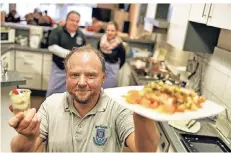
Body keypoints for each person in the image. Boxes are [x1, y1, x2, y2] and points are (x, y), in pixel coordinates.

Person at [8, 45, 160, 152]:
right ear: (66, 77)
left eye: (91, 75)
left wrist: (142, 116)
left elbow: (146, 150)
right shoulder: (51, 104)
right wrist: (27, 136)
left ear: (103, 78)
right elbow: (19, 150)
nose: (81, 83)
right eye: (74, 75)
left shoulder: (117, 108)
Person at [46, 11, 86, 97]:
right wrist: (71, 54)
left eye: (77, 21)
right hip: (58, 69)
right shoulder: (57, 31)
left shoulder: (81, 35)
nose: (75, 23)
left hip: (74, 71)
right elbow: (52, 47)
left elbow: (83, 51)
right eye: (72, 20)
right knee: (52, 92)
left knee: (69, 95)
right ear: (67, 20)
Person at [98, 21, 126, 88]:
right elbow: (98, 53)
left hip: (112, 72)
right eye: (108, 30)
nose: (109, 33)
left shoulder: (119, 45)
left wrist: (115, 68)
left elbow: (123, 60)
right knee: (99, 91)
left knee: (109, 91)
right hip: (101, 70)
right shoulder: (101, 40)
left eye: (112, 31)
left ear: (116, 32)